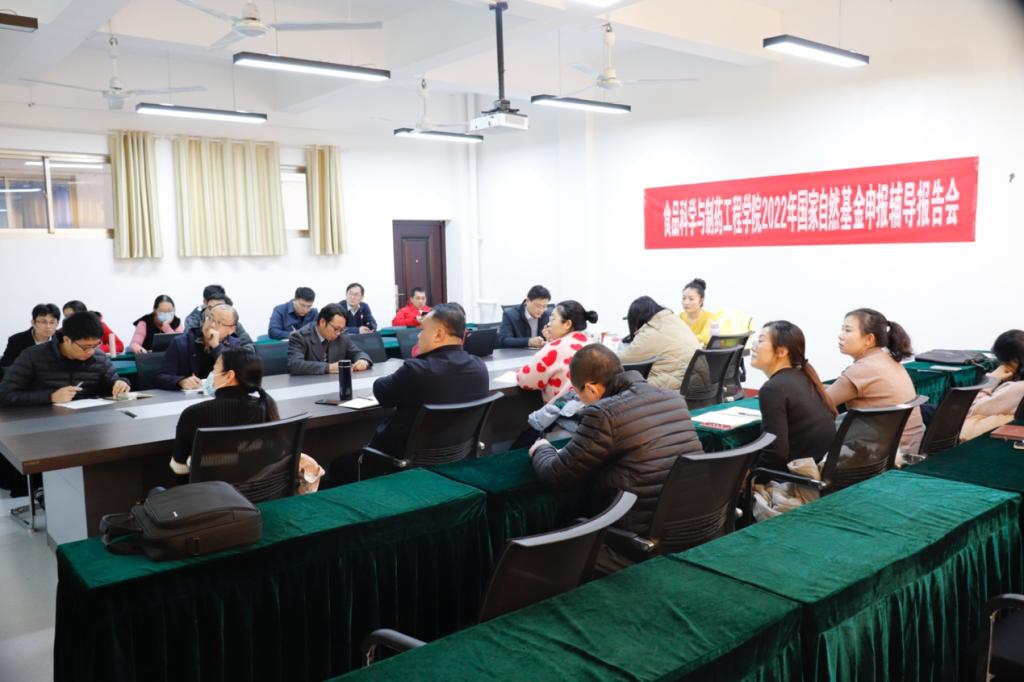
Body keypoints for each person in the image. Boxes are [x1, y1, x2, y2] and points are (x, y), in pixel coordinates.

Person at [529, 344, 703, 574]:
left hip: (640, 537)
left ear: (591, 389)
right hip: (694, 525)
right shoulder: (674, 398)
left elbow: (555, 474)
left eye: (579, 394)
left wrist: (541, 449)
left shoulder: (602, 414)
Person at [369, 303, 489, 456]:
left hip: (403, 459)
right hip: (458, 455)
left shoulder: (416, 370)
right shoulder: (479, 367)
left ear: (438, 335)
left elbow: (381, 392)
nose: (418, 336)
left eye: (422, 330)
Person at [168, 346, 281, 475]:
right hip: (260, 485)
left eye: (215, 368)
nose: (211, 374)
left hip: (212, 487)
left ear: (229, 376)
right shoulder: (265, 406)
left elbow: (178, 468)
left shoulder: (193, 414)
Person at [827, 308, 924, 454]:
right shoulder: (887, 359)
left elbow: (819, 403)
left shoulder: (861, 370)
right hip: (910, 446)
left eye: (848, 330)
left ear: (869, 339)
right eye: (842, 329)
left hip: (884, 452)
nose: (840, 336)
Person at [750, 321, 837, 468]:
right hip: (817, 468)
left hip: (795, 475)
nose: (753, 346)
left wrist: (748, 474)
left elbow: (775, 453)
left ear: (782, 352)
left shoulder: (773, 389)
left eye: (761, 341)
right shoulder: (803, 376)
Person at [0, 311, 130, 407]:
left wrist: (121, 383)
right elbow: (4, 395)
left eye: (95, 345)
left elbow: (112, 382)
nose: (91, 352)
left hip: (89, 420)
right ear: (67, 339)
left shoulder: (99, 357)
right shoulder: (32, 356)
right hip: (42, 422)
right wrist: (51, 397)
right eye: (85, 347)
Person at [516, 300, 597, 403]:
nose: (548, 324)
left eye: (552, 319)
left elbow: (526, 380)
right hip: (590, 406)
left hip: (562, 410)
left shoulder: (555, 347)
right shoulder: (591, 343)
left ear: (567, 324)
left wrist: (518, 372)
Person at [617, 296, 700, 391]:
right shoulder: (673, 319)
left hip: (679, 383)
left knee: (625, 385)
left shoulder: (649, 334)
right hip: (694, 380)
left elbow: (622, 359)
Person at [156, 304, 241, 390]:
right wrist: (180, 382)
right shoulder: (181, 342)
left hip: (219, 395)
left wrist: (216, 347)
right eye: (210, 318)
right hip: (187, 396)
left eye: (220, 323)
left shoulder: (234, 345)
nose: (212, 325)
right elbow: (161, 377)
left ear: (232, 330)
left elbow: (235, 377)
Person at [960, 330, 1024, 441]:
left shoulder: (1016, 388)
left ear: (1014, 361)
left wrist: (991, 380)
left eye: (1002, 362)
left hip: (977, 433)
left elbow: (972, 409)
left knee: (928, 410)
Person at [287, 303, 372, 375]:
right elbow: (295, 365)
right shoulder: (300, 336)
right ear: (322, 322)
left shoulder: (341, 336)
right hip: (308, 385)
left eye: (341, 329)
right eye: (336, 329)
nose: (338, 333)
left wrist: (363, 361)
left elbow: (358, 353)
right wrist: (329, 367)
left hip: (334, 383)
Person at [0, 303, 61, 381]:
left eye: (52, 322)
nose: (48, 326)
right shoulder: (16, 340)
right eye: (43, 322)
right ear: (33, 323)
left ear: (57, 324)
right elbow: (6, 366)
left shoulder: (62, 339)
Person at [183, 284, 254, 346]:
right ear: (205, 302)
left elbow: (249, 345)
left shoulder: (231, 322)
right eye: (212, 307)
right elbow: (189, 345)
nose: (217, 311)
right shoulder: (192, 320)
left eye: (220, 306)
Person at [497, 285, 551, 349]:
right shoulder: (510, 315)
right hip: (518, 354)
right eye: (538, 306)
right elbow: (504, 340)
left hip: (541, 353)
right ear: (527, 301)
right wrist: (528, 342)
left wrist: (549, 339)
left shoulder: (547, 315)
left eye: (544, 306)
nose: (541, 310)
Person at [679, 278, 716, 346]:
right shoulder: (680, 317)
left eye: (691, 299)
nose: (686, 302)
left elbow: (705, 338)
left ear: (701, 301)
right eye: (684, 298)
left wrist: (684, 340)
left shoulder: (709, 317)